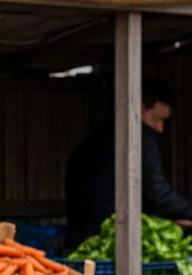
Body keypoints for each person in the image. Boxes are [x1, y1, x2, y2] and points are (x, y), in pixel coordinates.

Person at [66, 79, 192, 249]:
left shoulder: (102, 135)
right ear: (139, 107)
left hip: (85, 237)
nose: (160, 128)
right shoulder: (137, 137)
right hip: (109, 239)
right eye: (157, 119)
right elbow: (157, 193)